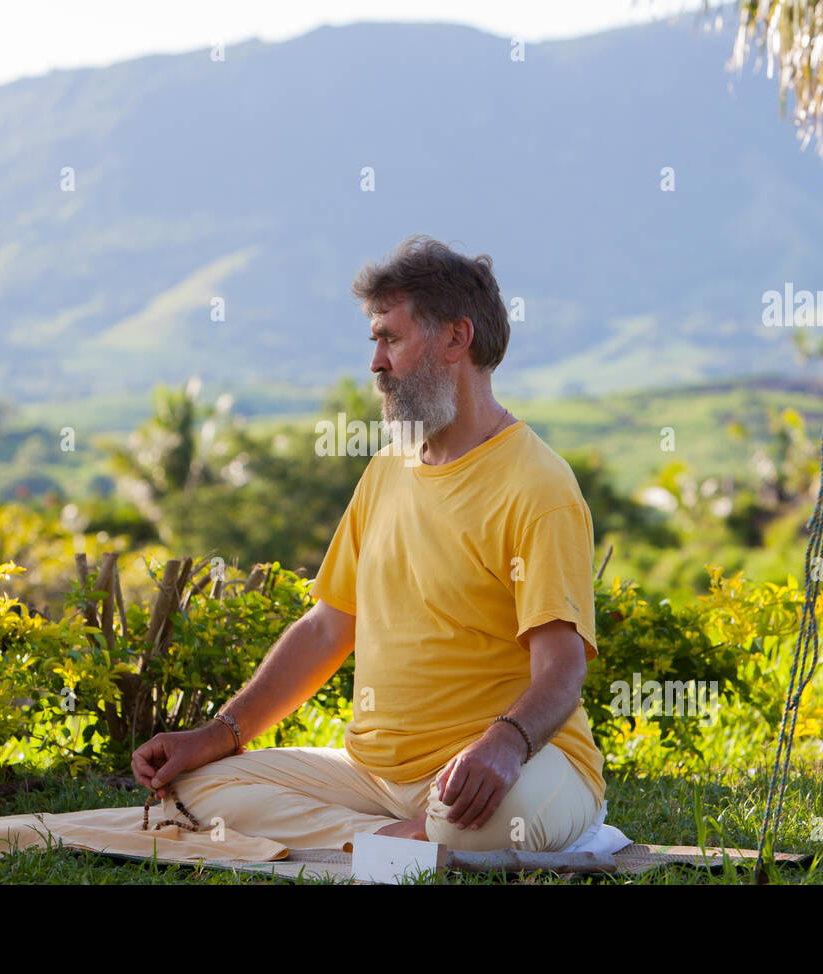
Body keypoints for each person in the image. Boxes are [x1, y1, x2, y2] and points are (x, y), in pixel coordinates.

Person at [132, 234, 605, 852]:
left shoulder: (537, 485)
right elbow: (327, 630)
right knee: (193, 790)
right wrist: (217, 734)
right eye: (374, 340)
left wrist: (504, 744)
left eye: (392, 338)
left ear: (455, 340)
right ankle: (397, 839)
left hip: (516, 768)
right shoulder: (386, 469)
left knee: (487, 823)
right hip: (374, 780)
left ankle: (417, 837)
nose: (376, 363)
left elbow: (562, 667)